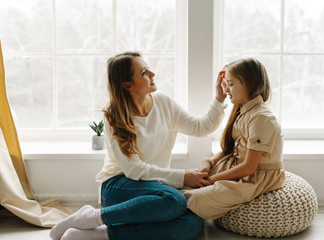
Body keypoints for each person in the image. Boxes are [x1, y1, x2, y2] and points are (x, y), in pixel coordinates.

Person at [49, 52, 228, 240]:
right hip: (118, 185)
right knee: (175, 201)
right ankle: (92, 217)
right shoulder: (114, 115)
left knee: (192, 224)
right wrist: (183, 177)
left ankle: (101, 235)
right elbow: (133, 169)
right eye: (144, 72)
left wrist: (219, 99)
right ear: (127, 84)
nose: (152, 74)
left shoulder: (164, 102)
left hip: (154, 188)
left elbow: (200, 127)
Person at [181, 58, 286, 220]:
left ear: (250, 83)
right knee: (185, 184)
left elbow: (249, 168)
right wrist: (207, 164)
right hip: (235, 166)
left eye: (231, 84)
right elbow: (227, 150)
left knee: (195, 198)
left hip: (255, 177)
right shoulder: (242, 110)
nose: (227, 90)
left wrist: (212, 179)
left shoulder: (261, 118)